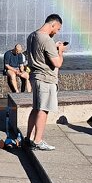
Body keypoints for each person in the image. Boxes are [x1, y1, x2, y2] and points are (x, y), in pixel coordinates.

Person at [25, 13, 67, 151]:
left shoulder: (32, 36)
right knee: (43, 110)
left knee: (36, 108)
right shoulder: (47, 40)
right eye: (57, 29)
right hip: (46, 78)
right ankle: (38, 141)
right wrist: (60, 51)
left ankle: (28, 138)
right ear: (53, 24)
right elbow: (57, 63)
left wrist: (53, 47)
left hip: (35, 76)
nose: (57, 32)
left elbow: (40, 52)